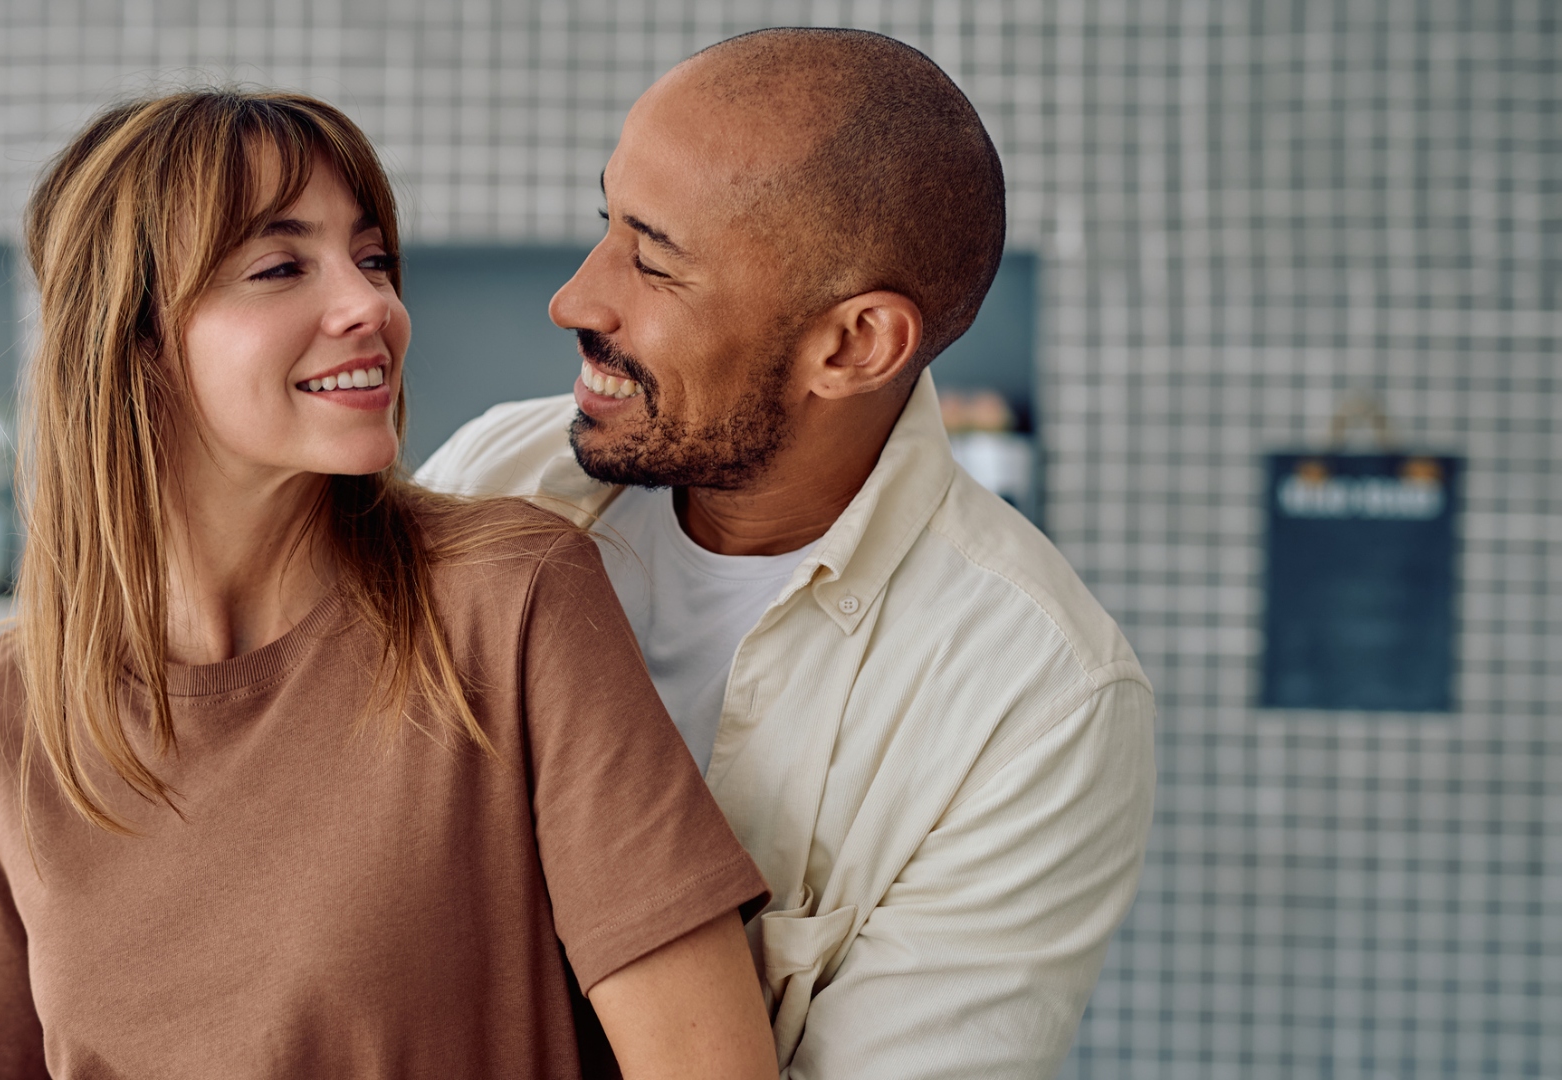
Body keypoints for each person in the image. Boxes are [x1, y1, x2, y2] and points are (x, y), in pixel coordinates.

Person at [0, 89, 780, 1080]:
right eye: (281, 266)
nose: (373, 305)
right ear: (131, 339)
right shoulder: (3, 714)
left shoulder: (507, 604)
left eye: (371, 258)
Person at [417, 28, 1157, 1080]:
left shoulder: (1039, 701)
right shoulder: (501, 469)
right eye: (606, 224)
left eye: (656, 263)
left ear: (854, 345)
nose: (576, 299)